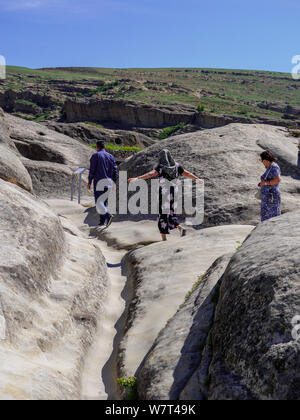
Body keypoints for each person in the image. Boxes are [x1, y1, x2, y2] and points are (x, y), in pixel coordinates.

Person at [128, 149, 202, 241]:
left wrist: (138, 178)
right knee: (171, 213)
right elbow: (187, 173)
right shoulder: (177, 166)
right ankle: (180, 228)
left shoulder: (161, 167)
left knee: (162, 215)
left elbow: (151, 174)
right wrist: (197, 178)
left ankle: (164, 239)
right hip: (175, 193)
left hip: (165, 193)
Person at [88, 140, 118, 227]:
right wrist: (114, 182)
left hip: (99, 182)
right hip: (109, 182)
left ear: (97, 147)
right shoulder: (111, 156)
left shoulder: (95, 155)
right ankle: (102, 221)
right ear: (105, 147)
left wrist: (89, 181)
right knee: (104, 202)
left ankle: (108, 215)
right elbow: (115, 171)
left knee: (98, 202)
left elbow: (92, 170)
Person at [259, 150, 281, 222]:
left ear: (265, 160)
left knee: (272, 219)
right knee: (266, 218)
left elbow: (277, 180)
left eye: (261, 160)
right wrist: (262, 183)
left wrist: (265, 183)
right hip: (268, 197)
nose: (261, 162)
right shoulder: (270, 167)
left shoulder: (274, 167)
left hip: (271, 197)